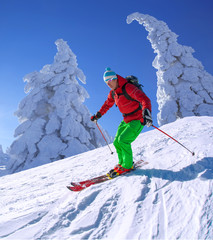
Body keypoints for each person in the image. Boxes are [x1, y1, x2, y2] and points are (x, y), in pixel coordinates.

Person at [91, 67, 152, 178]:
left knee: (123, 140)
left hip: (137, 119)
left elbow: (145, 99)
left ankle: (128, 165)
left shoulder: (128, 88)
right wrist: (98, 115)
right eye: (106, 82)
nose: (108, 84)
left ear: (115, 79)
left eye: (110, 81)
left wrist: (146, 112)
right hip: (126, 120)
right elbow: (107, 105)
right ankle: (122, 163)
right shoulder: (113, 93)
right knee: (116, 142)